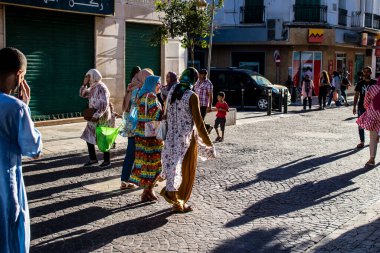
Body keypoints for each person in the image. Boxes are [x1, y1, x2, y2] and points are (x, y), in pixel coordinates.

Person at [0, 47, 42, 253]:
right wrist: (26, 107)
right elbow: (33, 148)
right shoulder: (15, 107)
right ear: (19, 74)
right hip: (5, 185)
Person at [160, 67, 214, 213]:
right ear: (195, 80)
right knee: (187, 172)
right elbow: (199, 122)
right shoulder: (191, 96)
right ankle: (179, 201)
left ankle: (173, 195)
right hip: (186, 141)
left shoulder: (172, 91)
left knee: (174, 168)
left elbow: (166, 113)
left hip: (171, 139)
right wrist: (209, 142)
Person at [128, 75, 163, 201]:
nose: (160, 86)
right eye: (158, 83)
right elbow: (156, 114)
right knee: (155, 162)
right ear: (153, 84)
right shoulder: (152, 97)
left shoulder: (141, 96)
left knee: (145, 162)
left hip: (140, 134)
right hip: (151, 136)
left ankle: (147, 191)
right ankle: (147, 191)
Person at [120, 68, 153, 190]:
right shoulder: (142, 90)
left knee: (131, 153)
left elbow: (126, 107)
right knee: (141, 154)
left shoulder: (132, 88)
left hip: (131, 125)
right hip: (140, 126)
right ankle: (138, 179)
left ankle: (125, 179)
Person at [79, 69, 112, 168]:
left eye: (89, 77)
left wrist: (96, 116)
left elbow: (104, 104)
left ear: (94, 76)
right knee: (88, 136)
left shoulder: (101, 87)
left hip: (102, 117)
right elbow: (82, 94)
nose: (88, 79)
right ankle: (93, 159)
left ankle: (107, 161)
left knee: (103, 138)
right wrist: (84, 84)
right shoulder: (93, 87)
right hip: (93, 116)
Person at [356, 78, 380, 166]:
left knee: (373, 138)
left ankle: (372, 159)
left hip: (373, 115)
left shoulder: (372, 88)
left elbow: (366, 102)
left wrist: (370, 109)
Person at [353, 66, 377, 149]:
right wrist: (354, 107)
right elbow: (356, 96)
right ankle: (362, 142)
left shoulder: (375, 83)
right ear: (363, 73)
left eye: (368, 71)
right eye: (365, 71)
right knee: (360, 124)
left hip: (373, 108)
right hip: (361, 107)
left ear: (370, 73)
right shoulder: (360, 83)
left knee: (373, 124)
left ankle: (373, 139)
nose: (366, 73)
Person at [193, 68, 213, 133]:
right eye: (201, 75)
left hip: (204, 104)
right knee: (196, 119)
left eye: (204, 75)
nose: (203, 76)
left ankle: (203, 132)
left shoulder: (208, 83)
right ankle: (207, 127)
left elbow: (210, 95)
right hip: (196, 103)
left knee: (200, 119)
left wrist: (209, 106)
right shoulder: (197, 82)